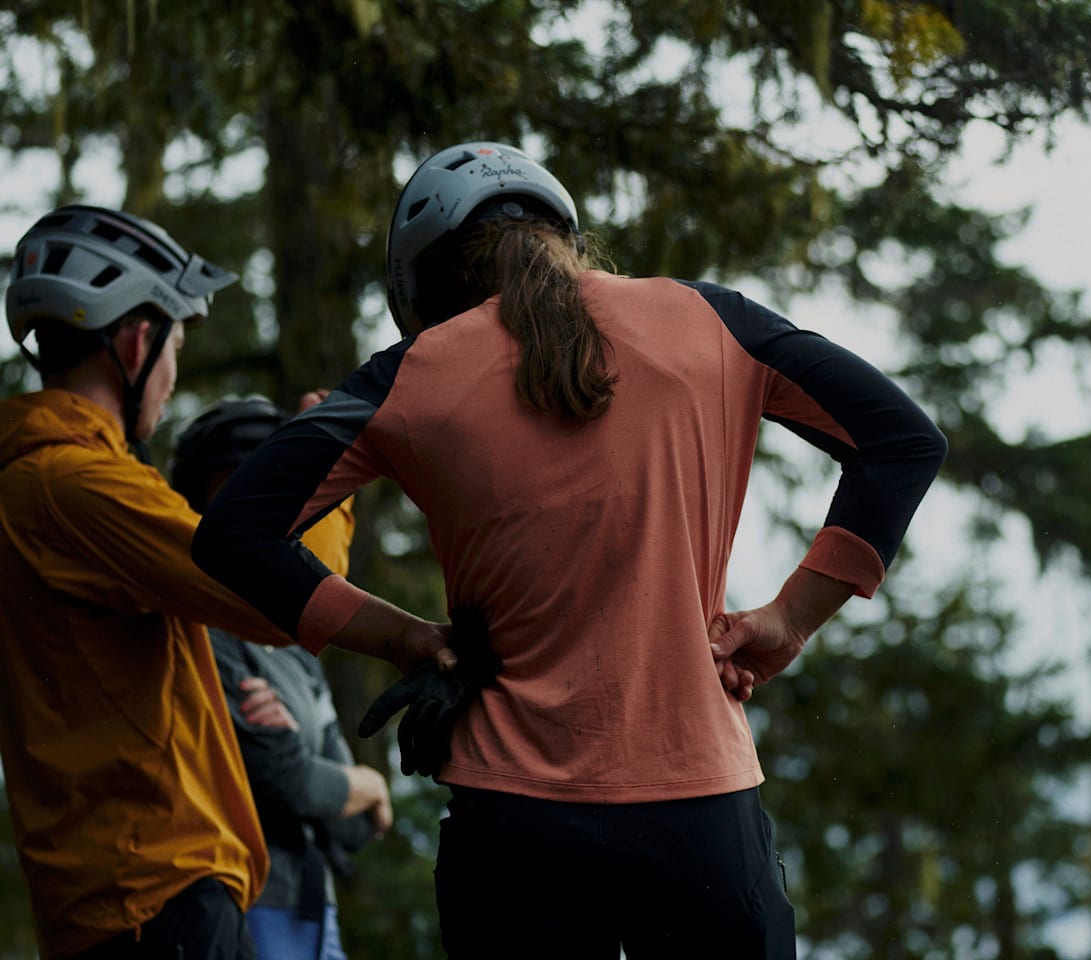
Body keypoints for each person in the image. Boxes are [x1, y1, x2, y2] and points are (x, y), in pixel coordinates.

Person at [192, 142, 949, 959]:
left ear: (427, 283)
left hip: (513, 823)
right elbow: (901, 440)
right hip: (699, 809)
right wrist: (790, 619)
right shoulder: (710, 321)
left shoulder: (406, 375)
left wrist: (404, 638)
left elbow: (236, 534)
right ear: (566, 233)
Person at [0, 205, 349, 959]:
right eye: (176, 344)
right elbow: (279, 589)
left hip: (122, 895)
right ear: (136, 340)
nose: (172, 372)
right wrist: (329, 469)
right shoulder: (78, 485)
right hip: (156, 893)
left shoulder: (42, 480)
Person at [171, 396, 393, 960]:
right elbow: (288, 778)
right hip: (248, 902)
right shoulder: (206, 635)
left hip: (315, 911)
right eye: (228, 487)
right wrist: (365, 786)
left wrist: (357, 790)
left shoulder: (294, 651)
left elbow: (355, 829)